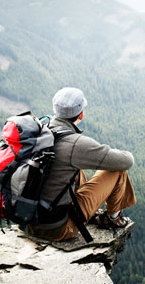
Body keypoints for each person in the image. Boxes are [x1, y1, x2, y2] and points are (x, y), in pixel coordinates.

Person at [26, 87, 136, 241]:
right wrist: (116, 152)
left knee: (75, 172)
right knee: (118, 171)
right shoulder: (75, 144)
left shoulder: (40, 132)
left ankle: (89, 213)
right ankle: (112, 218)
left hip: (27, 222)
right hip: (56, 229)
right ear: (81, 114)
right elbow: (127, 161)